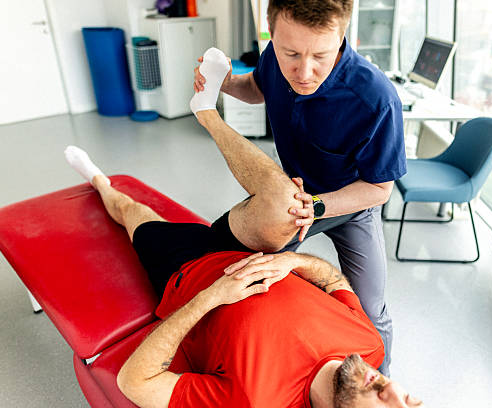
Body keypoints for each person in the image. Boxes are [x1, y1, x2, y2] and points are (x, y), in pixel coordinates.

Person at [62, 99, 421, 408]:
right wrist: (294, 261)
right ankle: (207, 113)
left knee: (130, 212)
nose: (392, 388)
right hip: (247, 247)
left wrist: (212, 296)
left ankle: (98, 181)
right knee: (289, 204)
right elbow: (334, 280)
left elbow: (134, 382)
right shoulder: (369, 346)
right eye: (408, 400)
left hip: (187, 269)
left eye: (387, 406)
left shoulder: (257, 401)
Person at [193, 0, 406, 376]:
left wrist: (317, 206)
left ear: (342, 36)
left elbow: (379, 188)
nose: (304, 72)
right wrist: (224, 82)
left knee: (370, 310)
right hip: (292, 202)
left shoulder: (377, 100)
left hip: (351, 204)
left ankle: (381, 383)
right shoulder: (274, 58)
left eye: (320, 56)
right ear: (272, 34)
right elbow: (256, 88)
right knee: (246, 279)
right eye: (290, 53)